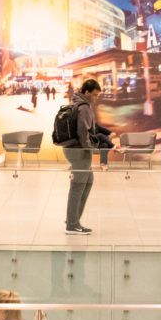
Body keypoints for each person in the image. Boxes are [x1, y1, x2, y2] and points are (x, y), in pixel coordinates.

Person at [58, 78, 102, 235]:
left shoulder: (76, 102)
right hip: (79, 151)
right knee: (77, 186)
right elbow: (83, 131)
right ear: (87, 92)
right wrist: (90, 148)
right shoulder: (84, 107)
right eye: (94, 95)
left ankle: (73, 218)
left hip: (73, 149)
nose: (96, 98)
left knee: (87, 181)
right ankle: (72, 225)